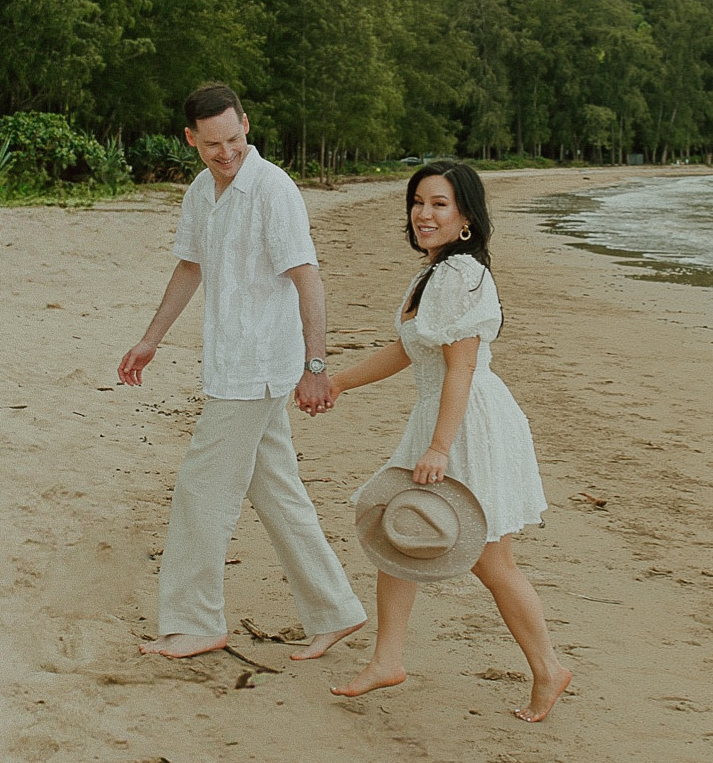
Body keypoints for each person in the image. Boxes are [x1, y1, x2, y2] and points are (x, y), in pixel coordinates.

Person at [117, 83, 366, 659]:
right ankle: (335, 609)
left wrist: (316, 366)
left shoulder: (274, 191)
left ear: (246, 126)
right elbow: (189, 266)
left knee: (201, 491)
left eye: (233, 140)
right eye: (212, 145)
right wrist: (150, 340)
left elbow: (309, 280)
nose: (225, 153)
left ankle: (198, 621)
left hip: (258, 368)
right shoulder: (202, 191)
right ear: (191, 140)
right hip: (230, 363)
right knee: (278, 491)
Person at [324, 160, 572, 722]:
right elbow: (410, 351)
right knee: (399, 530)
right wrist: (340, 380)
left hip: (465, 423)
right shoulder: (433, 274)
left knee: (490, 559)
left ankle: (548, 668)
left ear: (465, 216)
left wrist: (439, 447)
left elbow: (459, 369)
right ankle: (387, 660)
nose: (424, 213)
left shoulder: (460, 275)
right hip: (442, 416)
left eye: (439, 204)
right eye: (417, 202)